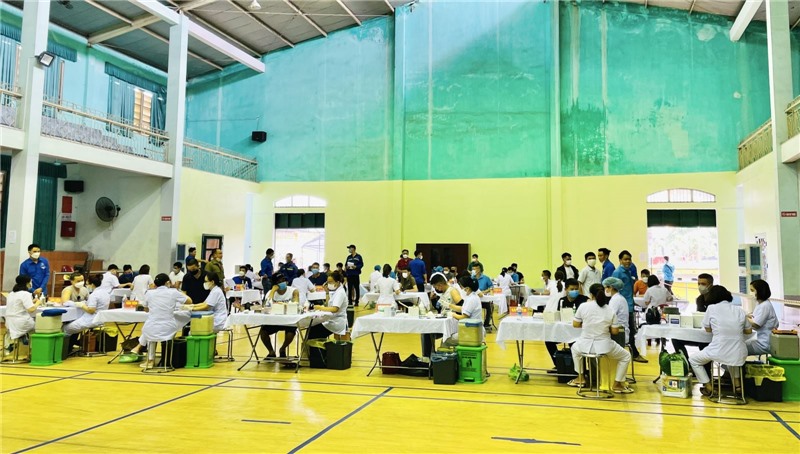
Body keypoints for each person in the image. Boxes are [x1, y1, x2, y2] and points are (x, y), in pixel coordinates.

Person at [568, 285, 634, 393]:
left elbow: (575, 324)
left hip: (584, 345)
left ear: (591, 295)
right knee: (626, 356)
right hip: (604, 347)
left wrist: (588, 325)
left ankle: (580, 378)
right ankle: (617, 384)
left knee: (574, 349)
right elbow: (615, 331)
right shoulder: (610, 309)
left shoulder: (583, 306)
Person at [689, 285, 752, 397]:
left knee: (693, 360)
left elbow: (708, 329)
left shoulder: (711, 308)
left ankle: (709, 387)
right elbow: (748, 331)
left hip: (718, 350)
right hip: (739, 352)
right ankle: (737, 386)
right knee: (732, 358)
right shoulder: (739, 310)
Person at [128, 274, 192, 368]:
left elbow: (146, 308)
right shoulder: (173, 292)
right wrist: (180, 292)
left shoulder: (149, 293)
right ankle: (165, 360)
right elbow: (189, 301)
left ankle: (150, 360)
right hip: (168, 327)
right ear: (167, 282)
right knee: (163, 327)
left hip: (151, 327)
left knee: (151, 332)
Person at [544, 278, 587, 368]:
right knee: (549, 341)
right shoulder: (562, 301)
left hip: (579, 334)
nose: (574, 291)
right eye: (572, 289)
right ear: (566, 289)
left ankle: (578, 368)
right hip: (564, 331)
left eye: (576, 289)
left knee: (574, 344)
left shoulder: (584, 300)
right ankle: (559, 365)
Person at [612, 250, 645, 362]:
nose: (628, 261)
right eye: (625, 259)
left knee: (631, 330)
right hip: (623, 306)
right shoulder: (617, 273)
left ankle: (632, 353)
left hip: (630, 304)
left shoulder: (628, 271)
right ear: (620, 260)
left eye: (629, 259)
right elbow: (615, 290)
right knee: (629, 330)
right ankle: (633, 354)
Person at [673, 273, 714, 361]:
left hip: (713, 335)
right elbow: (699, 317)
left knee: (704, 344)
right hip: (702, 332)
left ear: (710, 285)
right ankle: (686, 363)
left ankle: (705, 366)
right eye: (698, 284)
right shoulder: (699, 299)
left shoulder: (716, 299)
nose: (700, 286)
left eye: (703, 284)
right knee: (676, 338)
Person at [604, 276, 646, 363]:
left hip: (620, 333)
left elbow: (610, 316)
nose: (605, 290)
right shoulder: (618, 298)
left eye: (606, 287)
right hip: (620, 330)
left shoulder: (616, 300)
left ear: (611, 287)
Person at [443, 276, 484, 347]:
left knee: (446, 340)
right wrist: (449, 305)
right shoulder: (472, 296)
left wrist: (453, 314)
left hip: (472, 331)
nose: (461, 289)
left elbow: (464, 317)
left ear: (467, 288)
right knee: (451, 334)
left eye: (461, 287)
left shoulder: (471, 299)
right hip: (474, 329)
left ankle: (445, 354)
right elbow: (463, 309)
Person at [309, 271, 350, 341]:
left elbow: (335, 309)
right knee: (313, 327)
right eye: (327, 282)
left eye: (330, 282)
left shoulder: (340, 293)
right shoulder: (336, 291)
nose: (328, 284)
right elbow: (328, 305)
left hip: (336, 321)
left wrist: (320, 307)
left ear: (337, 282)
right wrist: (327, 293)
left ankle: (314, 346)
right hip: (332, 319)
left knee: (314, 331)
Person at [745, 279, 779, 355]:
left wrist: (743, 317)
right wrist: (747, 316)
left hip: (763, 343)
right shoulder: (760, 304)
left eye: (752, 290)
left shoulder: (765, 305)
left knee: (738, 348)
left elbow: (756, 324)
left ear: (759, 291)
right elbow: (754, 317)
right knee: (738, 346)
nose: (750, 293)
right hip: (761, 339)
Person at [4, 275, 42, 341]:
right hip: (21, 323)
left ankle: (21, 338)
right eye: (30, 282)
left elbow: (19, 304)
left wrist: (33, 301)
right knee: (41, 326)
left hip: (9, 323)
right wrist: (38, 303)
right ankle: (30, 341)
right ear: (27, 283)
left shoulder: (11, 294)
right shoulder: (25, 294)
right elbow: (31, 309)